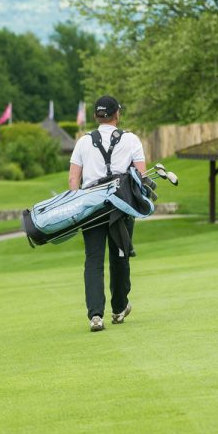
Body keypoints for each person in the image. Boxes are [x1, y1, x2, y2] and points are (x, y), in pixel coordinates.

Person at [68, 95, 147, 332]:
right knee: (120, 256)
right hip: (120, 207)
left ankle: (95, 315)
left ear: (95, 116)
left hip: (91, 207)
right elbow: (140, 177)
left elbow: (74, 179)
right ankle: (119, 307)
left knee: (93, 259)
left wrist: (77, 206)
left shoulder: (83, 142)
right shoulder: (131, 140)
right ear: (117, 114)